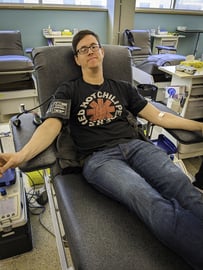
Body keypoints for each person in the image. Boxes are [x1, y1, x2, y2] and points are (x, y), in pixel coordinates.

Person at [0, 29, 203, 269]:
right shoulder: (68, 90)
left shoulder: (123, 88)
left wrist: (199, 126)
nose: (90, 51)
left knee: (181, 184)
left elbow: (160, 116)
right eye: (83, 49)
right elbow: (51, 126)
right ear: (77, 59)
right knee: (149, 200)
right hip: (100, 159)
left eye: (93, 46)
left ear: (102, 52)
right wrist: (21, 155)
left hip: (136, 147)